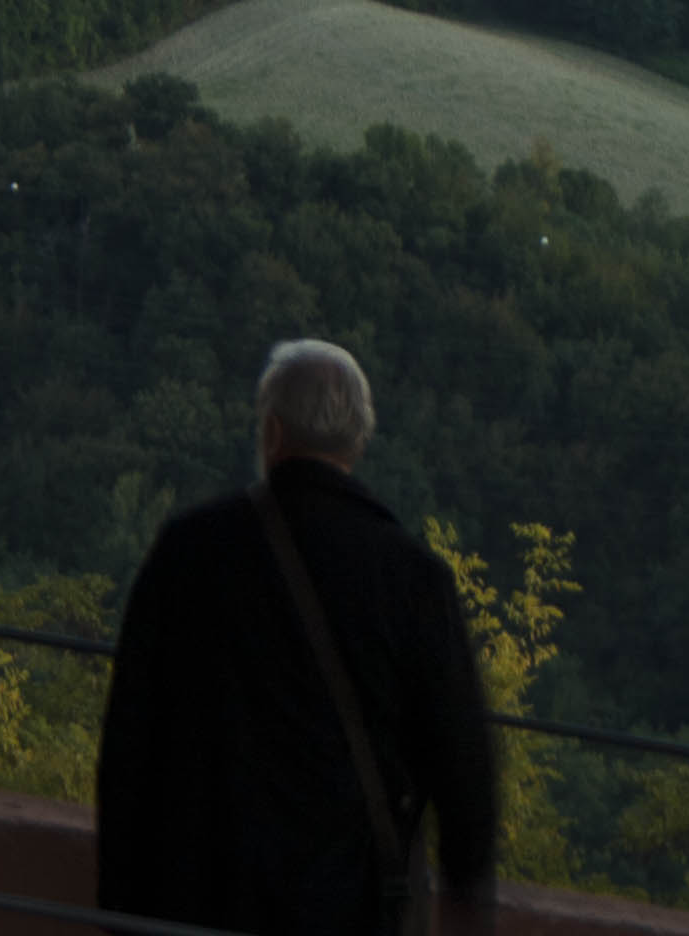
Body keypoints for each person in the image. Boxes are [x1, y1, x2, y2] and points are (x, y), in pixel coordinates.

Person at [94, 341, 499, 936]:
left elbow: (129, 742)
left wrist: (120, 903)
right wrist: (466, 892)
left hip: (194, 900)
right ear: (358, 439)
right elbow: (463, 764)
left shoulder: (188, 551)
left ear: (272, 432)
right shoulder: (415, 580)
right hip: (347, 908)